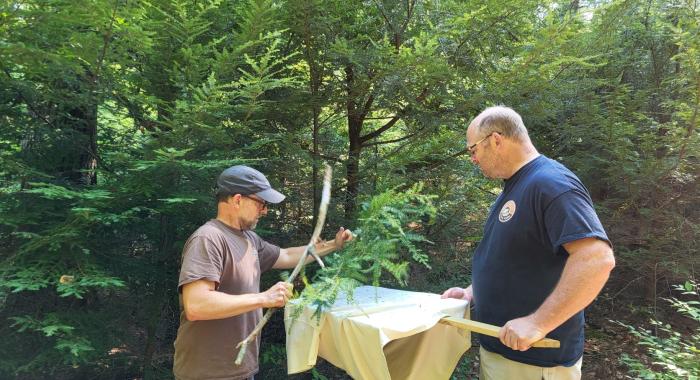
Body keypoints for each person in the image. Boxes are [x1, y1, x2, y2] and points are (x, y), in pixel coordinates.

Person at [442, 106, 615, 380]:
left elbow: (597, 259)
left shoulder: (551, 184)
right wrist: (471, 292)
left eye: (473, 149)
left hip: (536, 363)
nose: (473, 159)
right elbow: (513, 259)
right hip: (504, 352)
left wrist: (538, 323)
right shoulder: (516, 187)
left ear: (496, 140)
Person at [173, 165, 353, 380]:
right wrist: (264, 298)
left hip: (241, 369)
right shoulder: (208, 238)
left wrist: (334, 244)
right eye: (262, 203)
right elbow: (197, 305)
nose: (265, 210)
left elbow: (286, 256)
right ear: (238, 200)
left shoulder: (248, 239)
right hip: (207, 373)